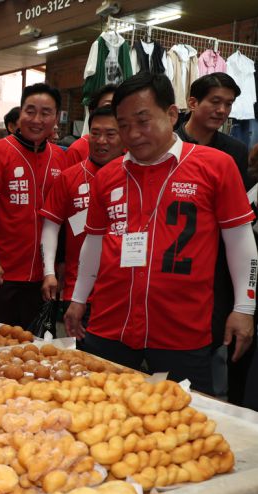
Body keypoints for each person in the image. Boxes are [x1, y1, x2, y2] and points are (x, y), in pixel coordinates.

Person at [64, 72, 257, 394]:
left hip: (181, 330)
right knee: (98, 413)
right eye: (123, 125)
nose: (133, 134)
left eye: (143, 120)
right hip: (109, 325)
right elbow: (94, 241)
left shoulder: (215, 165)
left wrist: (244, 308)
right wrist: (79, 298)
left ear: (171, 114)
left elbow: (239, 240)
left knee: (185, 424)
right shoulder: (108, 175)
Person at [176, 72, 255, 404]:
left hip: (218, 264)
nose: (222, 110)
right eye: (215, 102)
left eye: (229, 104)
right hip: (174, 261)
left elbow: (237, 218)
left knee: (210, 346)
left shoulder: (234, 151)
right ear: (192, 103)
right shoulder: (171, 143)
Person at [0, 83, 66, 328]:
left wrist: (60, 264)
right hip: (2, 275)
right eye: (30, 111)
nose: (37, 119)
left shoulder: (61, 157)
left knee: (35, 348)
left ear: (56, 117)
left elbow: (62, 218)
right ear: (20, 113)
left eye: (46, 113)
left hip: (43, 277)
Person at [39, 106, 124, 331]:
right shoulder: (69, 177)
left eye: (110, 134)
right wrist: (49, 272)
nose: (101, 140)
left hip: (123, 291)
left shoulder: (134, 176)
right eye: (95, 133)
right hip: (78, 291)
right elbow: (51, 226)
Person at [66, 85, 118, 167]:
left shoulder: (130, 147)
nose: (114, 112)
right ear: (92, 112)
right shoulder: (77, 150)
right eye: (108, 106)